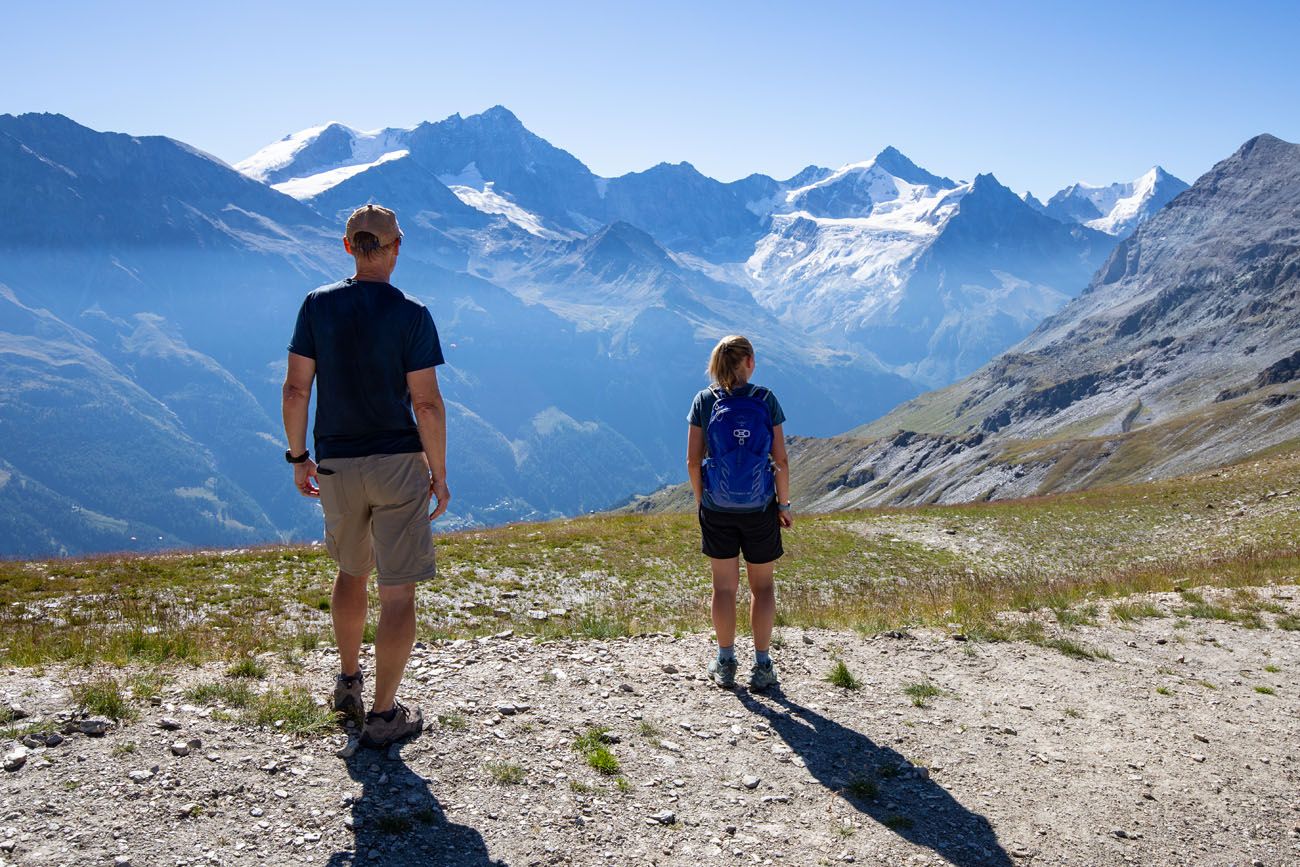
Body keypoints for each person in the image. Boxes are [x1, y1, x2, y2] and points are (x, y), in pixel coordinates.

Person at [281, 204, 450, 749]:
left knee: (351, 572)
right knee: (397, 593)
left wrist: (297, 455)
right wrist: (439, 473)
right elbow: (426, 404)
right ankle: (383, 717)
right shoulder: (412, 313)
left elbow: (295, 389)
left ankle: (348, 681)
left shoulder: (316, 306)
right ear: (395, 248)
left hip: (335, 463)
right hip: (398, 463)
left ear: (348, 246)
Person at [686, 335, 793, 691]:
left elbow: (692, 460)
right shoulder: (765, 399)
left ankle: (725, 661)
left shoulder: (704, 400)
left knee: (723, 588)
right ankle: (762, 667)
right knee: (762, 587)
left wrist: (704, 501)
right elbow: (780, 460)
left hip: (717, 507)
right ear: (749, 361)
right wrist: (783, 505)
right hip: (760, 506)